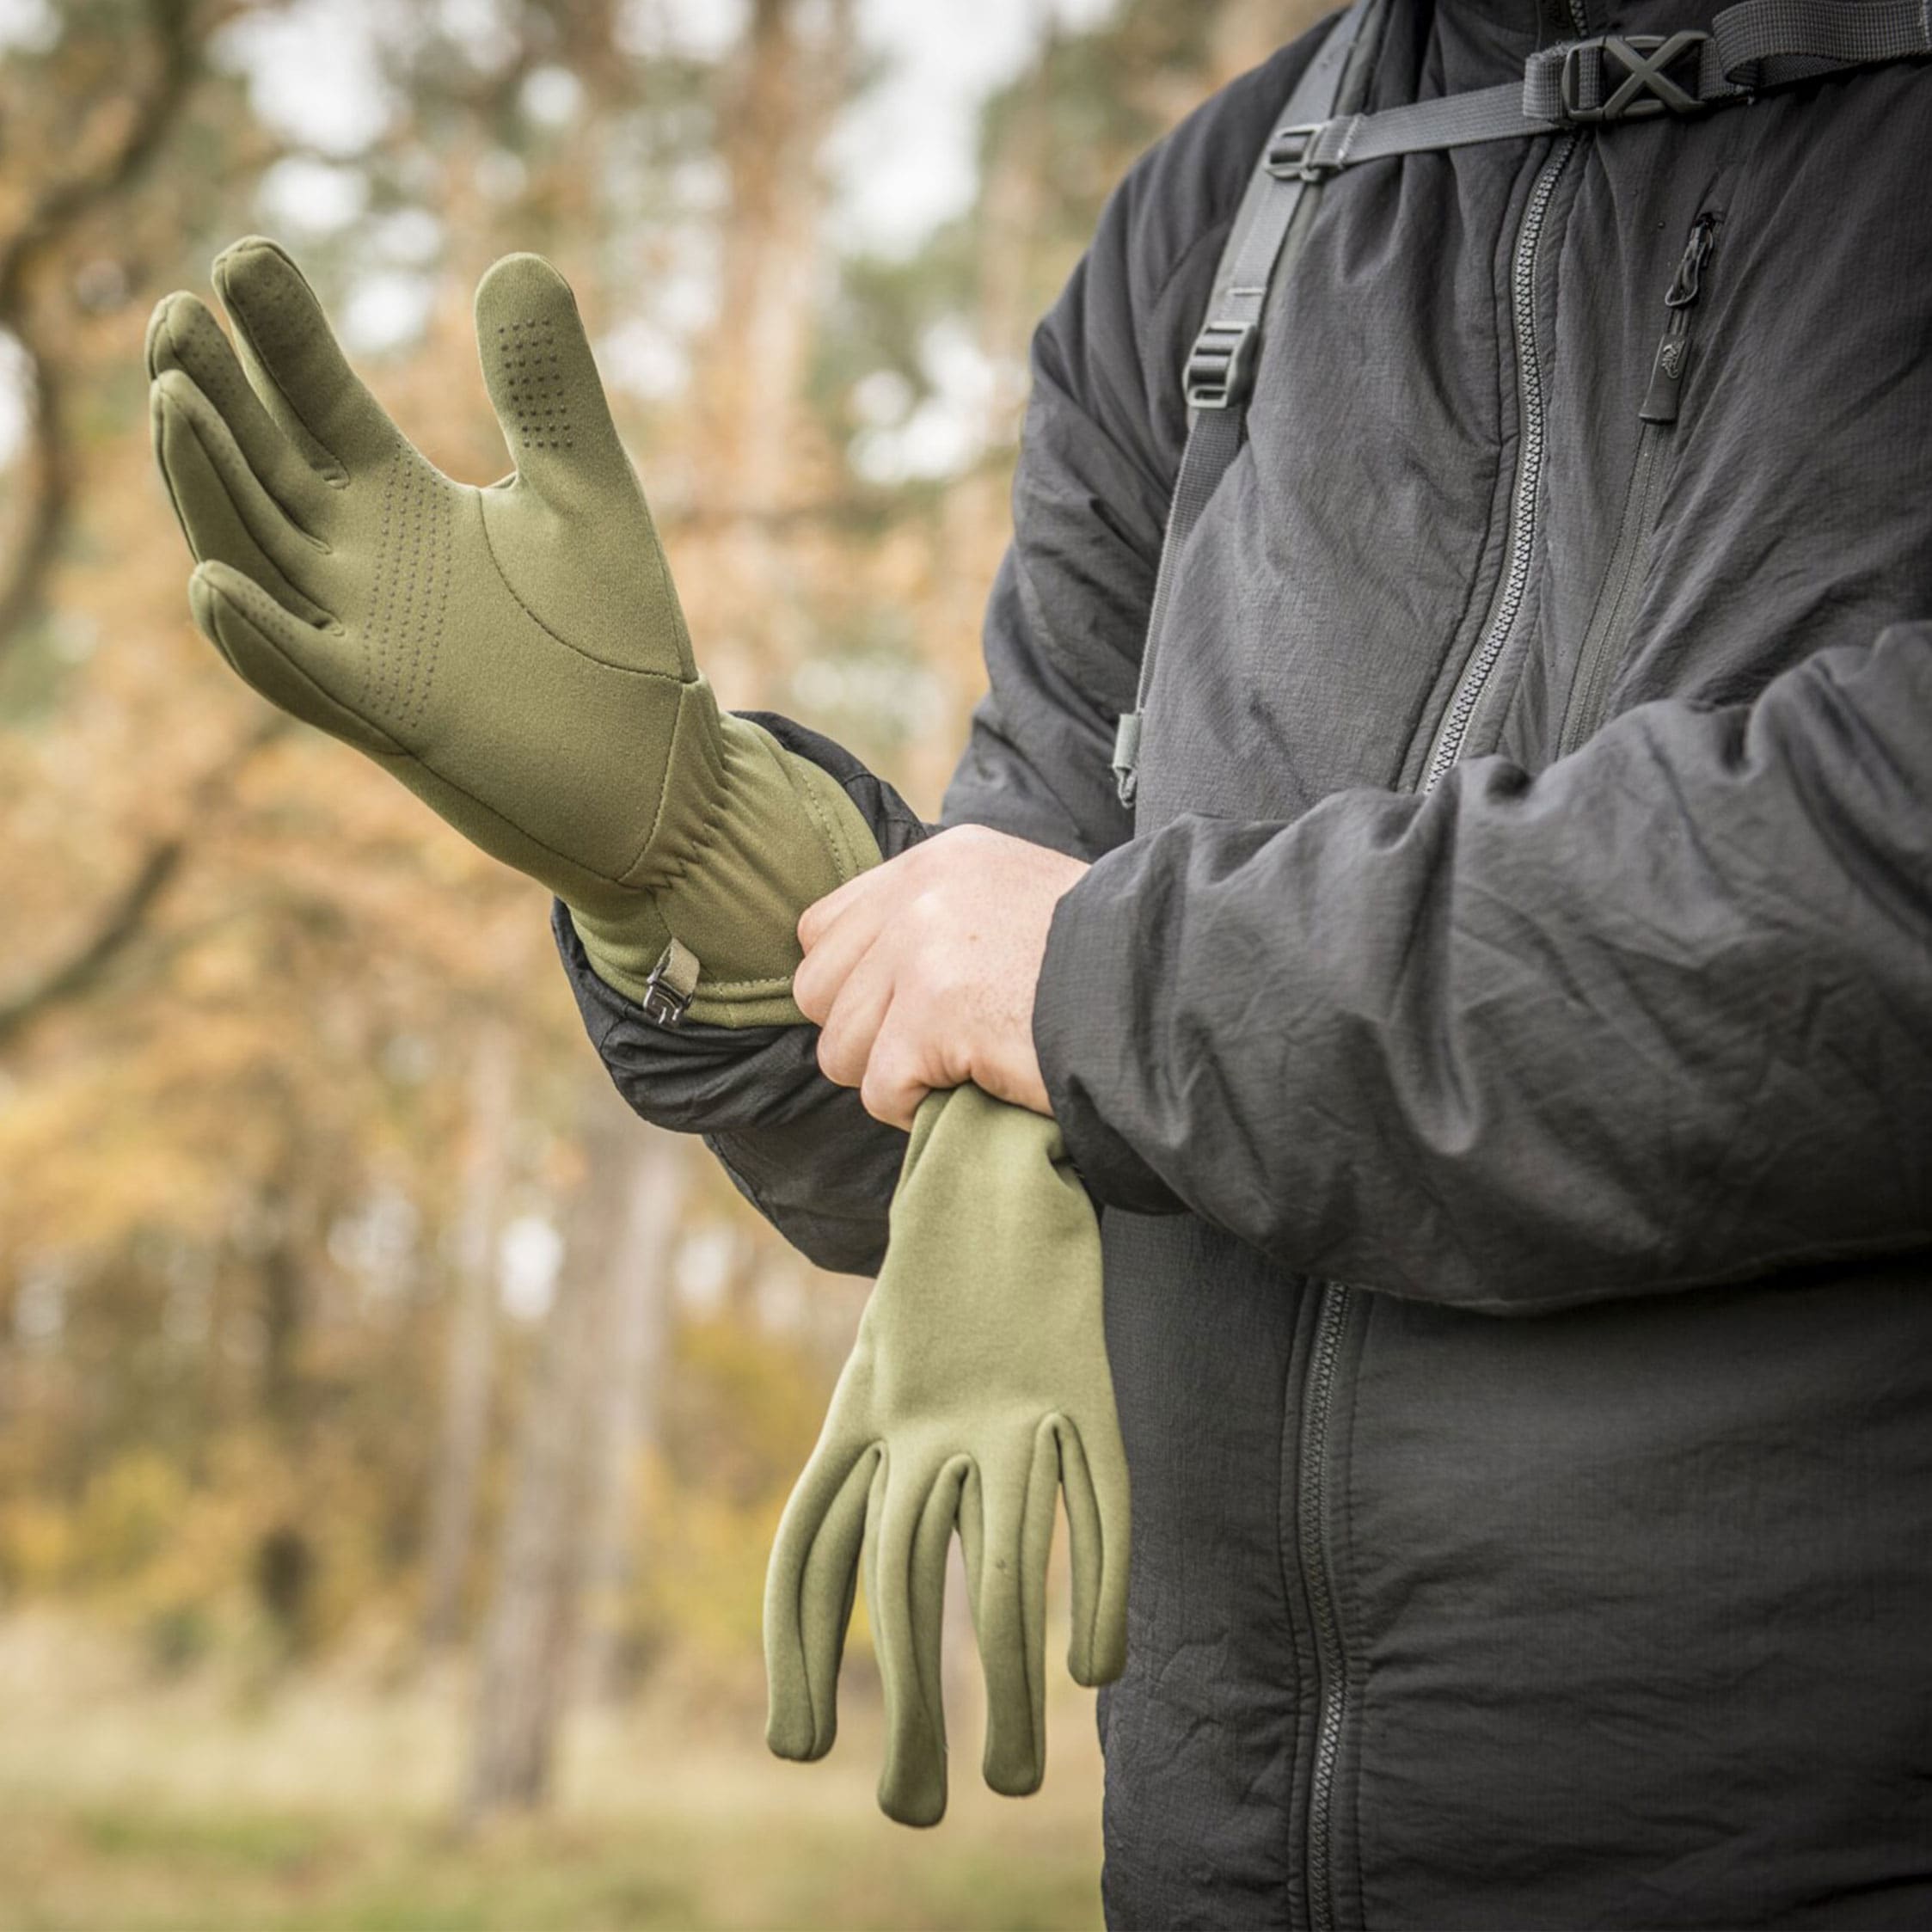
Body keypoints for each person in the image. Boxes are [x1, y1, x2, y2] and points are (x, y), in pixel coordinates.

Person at [561, 0, 1932, 1925]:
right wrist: (679, 864)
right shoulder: (1219, 205)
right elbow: (1003, 1060)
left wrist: (1106, 984)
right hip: (1216, 1866)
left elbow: (1873, 894)